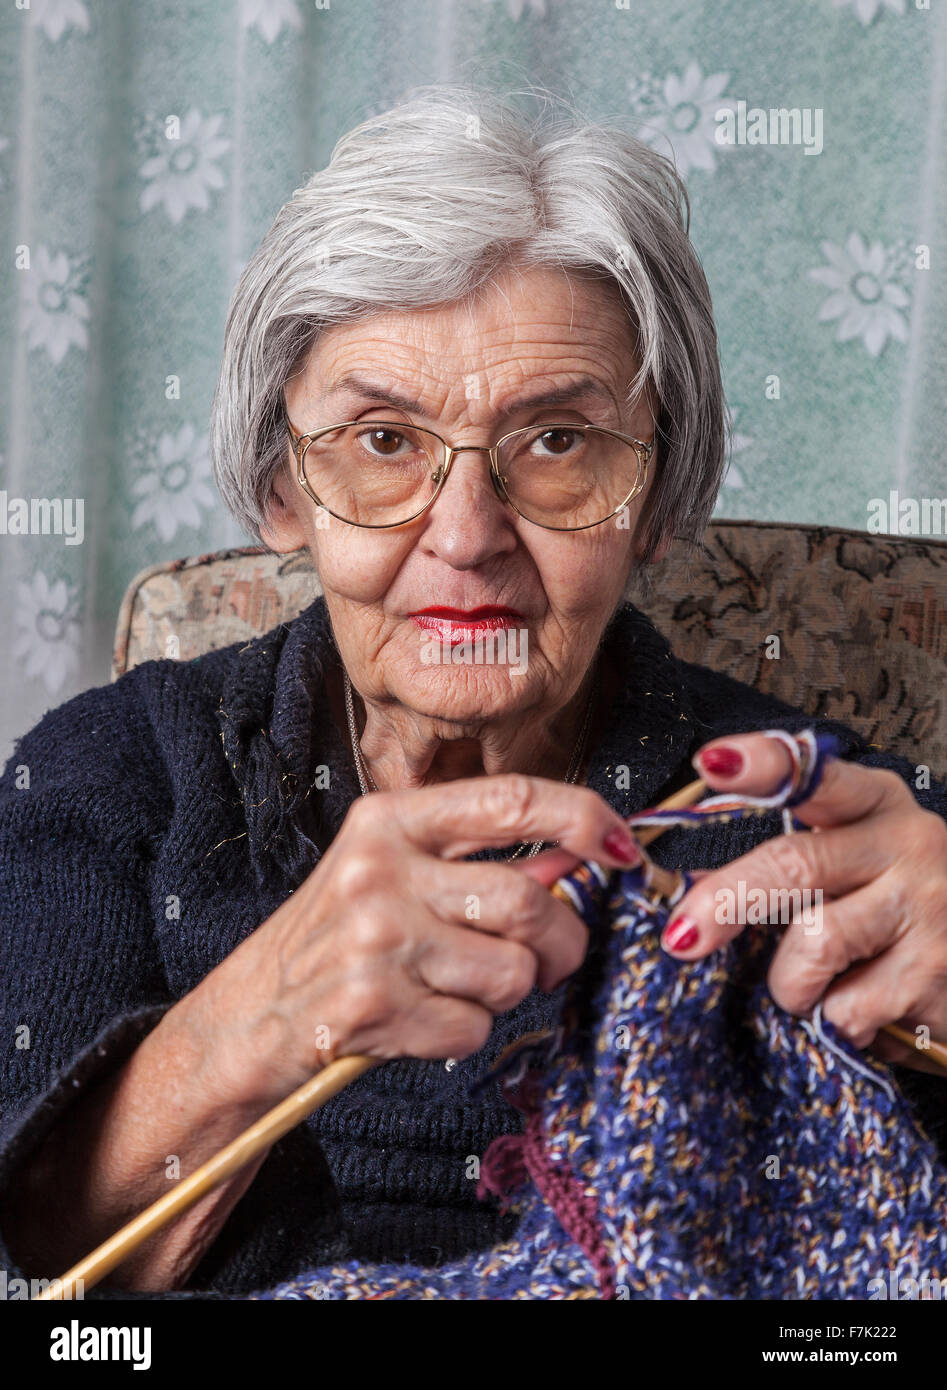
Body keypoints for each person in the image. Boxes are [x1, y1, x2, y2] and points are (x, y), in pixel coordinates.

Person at [1, 84, 945, 1298]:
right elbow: (35, 1236)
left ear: (652, 499)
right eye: (383, 440)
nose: (466, 534)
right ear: (282, 489)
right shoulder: (113, 768)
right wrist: (268, 1016)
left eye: (555, 441)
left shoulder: (818, 816)